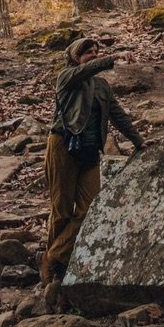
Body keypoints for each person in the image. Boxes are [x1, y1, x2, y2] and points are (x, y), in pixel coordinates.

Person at [40, 36, 144, 285]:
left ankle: (53, 257)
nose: (94, 55)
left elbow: (117, 115)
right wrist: (115, 57)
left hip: (89, 152)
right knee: (62, 208)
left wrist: (139, 141)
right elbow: (86, 70)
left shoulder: (102, 87)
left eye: (97, 51)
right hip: (62, 146)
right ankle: (55, 271)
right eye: (89, 52)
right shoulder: (66, 77)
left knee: (89, 208)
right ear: (77, 57)